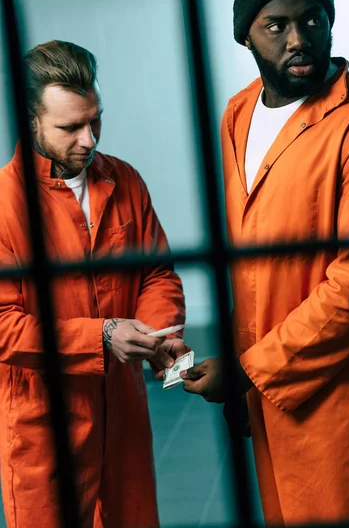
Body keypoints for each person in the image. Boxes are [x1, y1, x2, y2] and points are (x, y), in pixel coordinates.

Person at [181, 0, 349, 524]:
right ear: (246, 36)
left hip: (337, 400)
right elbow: (242, 255)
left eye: (312, 20)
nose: (297, 38)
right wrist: (242, 358)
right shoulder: (237, 114)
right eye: (275, 25)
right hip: (265, 391)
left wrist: (254, 368)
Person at [0, 40, 187, 528]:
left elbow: (157, 273)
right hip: (44, 420)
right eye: (70, 127)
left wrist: (157, 333)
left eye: (95, 119)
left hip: (123, 406)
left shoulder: (124, 180)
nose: (89, 139)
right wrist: (102, 337)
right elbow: (3, 326)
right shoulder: (4, 206)